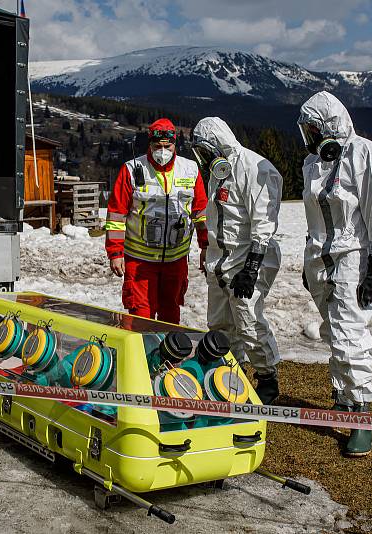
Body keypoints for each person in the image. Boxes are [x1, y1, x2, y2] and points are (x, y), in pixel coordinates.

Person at [297, 91, 372, 457]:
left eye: (312, 129)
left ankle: (363, 416)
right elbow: (314, 217)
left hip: (353, 257)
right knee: (333, 329)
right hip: (321, 258)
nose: (308, 137)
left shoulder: (369, 156)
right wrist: (309, 261)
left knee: (349, 332)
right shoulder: (314, 164)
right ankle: (343, 395)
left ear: (328, 126)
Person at [191, 117, 283, 404]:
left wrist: (252, 268)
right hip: (221, 262)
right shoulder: (218, 172)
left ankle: (267, 378)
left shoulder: (255, 169)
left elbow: (263, 223)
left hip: (249, 260)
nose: (205, 158)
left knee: (249, 320)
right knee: (219, 322)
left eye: (207, 150)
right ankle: (231, 374)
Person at [105, 118, 208, 324]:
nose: (162, 151)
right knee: (141, 314)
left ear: (175, 144)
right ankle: (142, 355)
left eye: (167, 146)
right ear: (149, 145)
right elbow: (116, 215)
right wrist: (115, 253)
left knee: (171, 312)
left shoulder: (190, 169)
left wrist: (205, 246)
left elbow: (201, 212)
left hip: (176, 259)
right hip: (139, 261)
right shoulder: (132, 169)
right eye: (157, 146)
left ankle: (168, 355)